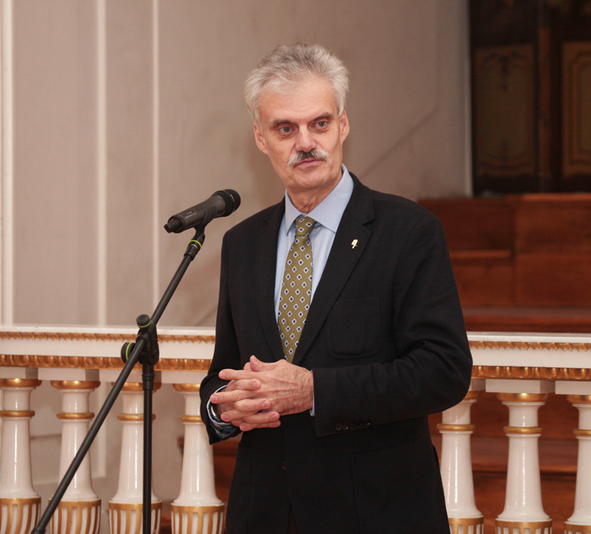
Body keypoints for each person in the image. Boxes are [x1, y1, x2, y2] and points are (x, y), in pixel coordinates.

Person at [200, 43, 473, 534]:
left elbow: (444, 371)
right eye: (286, 128)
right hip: (264, 513)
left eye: (319, 124)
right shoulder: (242, 243)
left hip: (375, 510)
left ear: (343, 125)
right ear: (261, 139)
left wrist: (315, 390)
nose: (305, 142)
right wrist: (224, 406)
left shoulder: (408, 231)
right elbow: (223, 371)